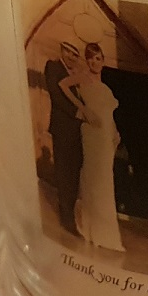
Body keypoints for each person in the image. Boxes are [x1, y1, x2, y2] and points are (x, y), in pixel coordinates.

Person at [61, 42, 124, 253]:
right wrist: (83, 109)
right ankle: (92, 229)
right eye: (90, 58)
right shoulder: (83, 78)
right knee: (94, 177)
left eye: (97, 58)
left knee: (105, 180)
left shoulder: (104, 86)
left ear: (103, 61)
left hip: (106, 136)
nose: (94, 62)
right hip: (92, 133)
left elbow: (108, 115)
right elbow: (63, 85)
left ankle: (105, 233)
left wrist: (115, 132)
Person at [43, 41, 86, 238]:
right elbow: (56, 94)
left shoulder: (74, 75)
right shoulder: (53, 67)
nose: (72, 57)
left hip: (76, 130)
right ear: (62, 50)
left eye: (75, 55)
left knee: (74, 171)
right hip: (62, 128)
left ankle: (70, 214)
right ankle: (66, 217)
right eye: (69, 52)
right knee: (64, 172)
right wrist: (76, 112)